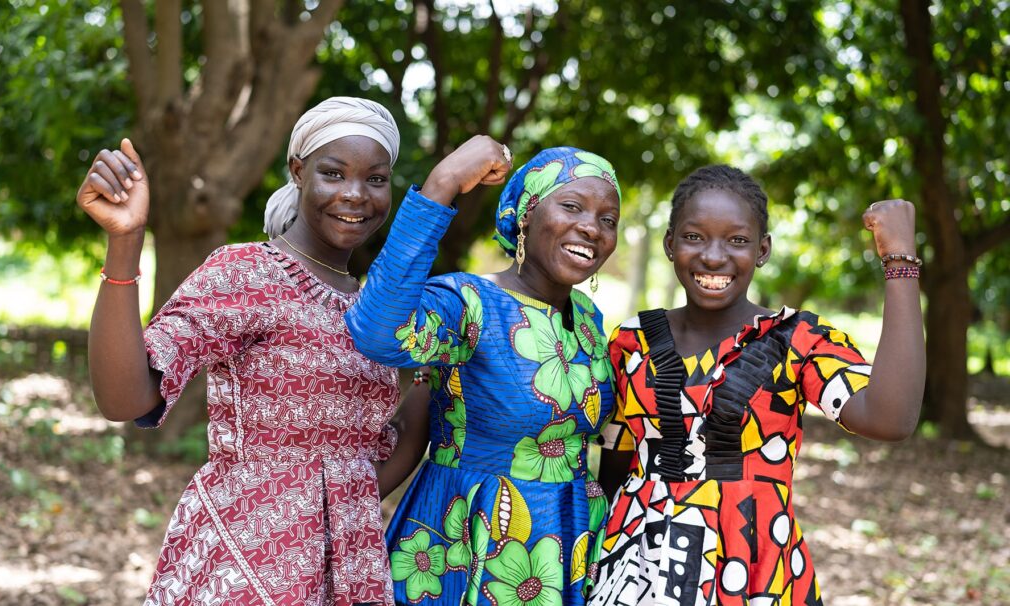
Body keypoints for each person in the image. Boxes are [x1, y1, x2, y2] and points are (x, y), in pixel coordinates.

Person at [77, 97, 409, 605]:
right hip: (243, 564)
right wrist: (125, 242)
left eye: (375, 179)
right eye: (334, 173)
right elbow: (127, 399)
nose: (355, 195)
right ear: (298, 172)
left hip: (346, 571)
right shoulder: (248, 273)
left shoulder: (376, 307)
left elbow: (365, 463)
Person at [590, 164, 925, 605]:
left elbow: (891, 419)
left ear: (762, 250)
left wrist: (899, 260)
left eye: (737, 240)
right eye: (694, 237)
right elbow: (615, 464)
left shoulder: (797, 341)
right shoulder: (632, 341)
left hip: (753, 571)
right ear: (670, 244)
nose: (713, 256)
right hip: (637, 569)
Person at [346, 141, 622, 604]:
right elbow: (379, 333)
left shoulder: (591, 321)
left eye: (608, 219)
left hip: (566, 545)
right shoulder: (469, 303)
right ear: (526, 214)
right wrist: (443, 184)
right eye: (571, 206)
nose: (590, 228)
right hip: (469, 539)